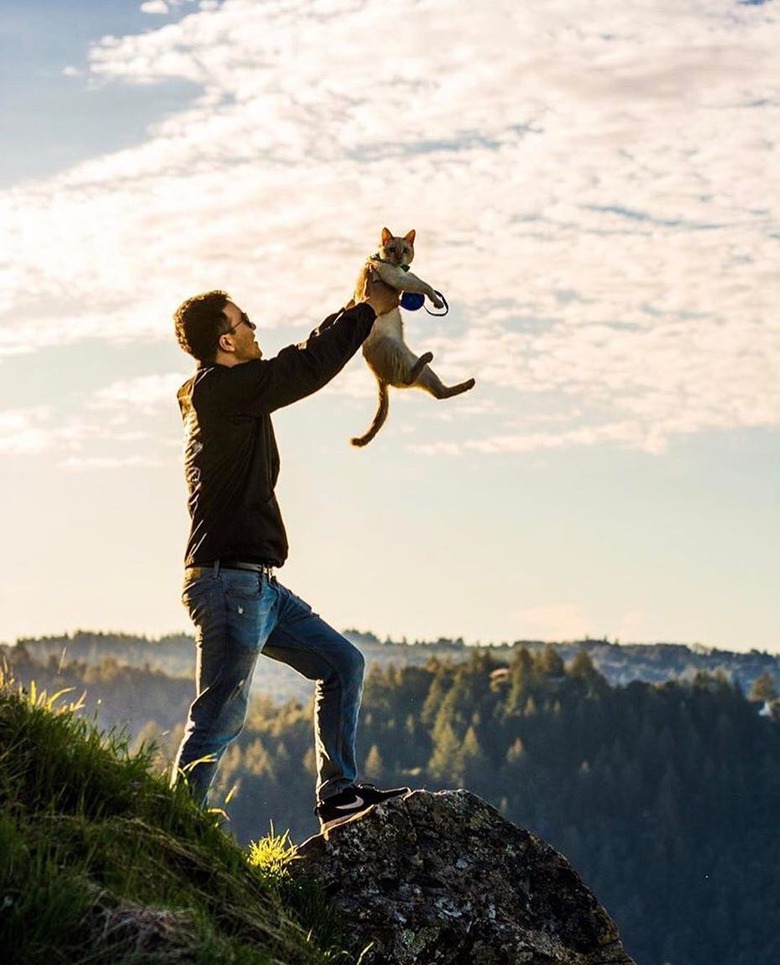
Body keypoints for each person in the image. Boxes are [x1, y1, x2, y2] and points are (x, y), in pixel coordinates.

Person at [171, 273, 409, 831]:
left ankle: (339, 793)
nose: (253, 325)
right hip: (229, 584)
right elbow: (303, 367)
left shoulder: (221, 392)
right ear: (225, 342)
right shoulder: (216, 391)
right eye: (242, 320)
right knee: (220, 713)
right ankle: (172, 826)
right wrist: (366, 312)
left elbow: (294, 362)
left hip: (257, 585)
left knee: (343, 664)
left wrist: (358, 306)